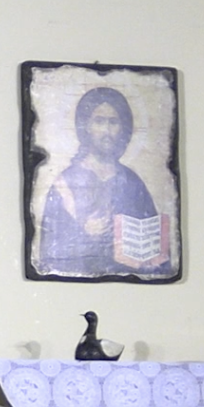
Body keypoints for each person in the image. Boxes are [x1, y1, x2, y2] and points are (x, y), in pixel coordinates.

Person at [35, 86, 167, 277]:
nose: (107, 131)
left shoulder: (132, 182)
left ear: (122, 128)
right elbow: (50, 251)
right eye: (99, 121)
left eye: (113, 122)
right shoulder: (65, 183)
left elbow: (155, 250)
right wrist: (84, 232)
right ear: (87, 127)